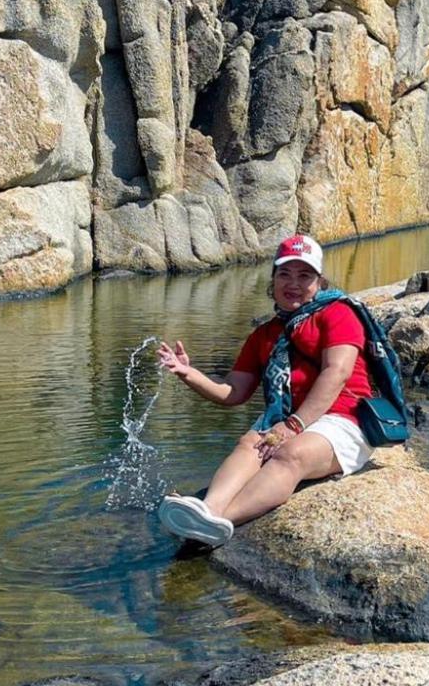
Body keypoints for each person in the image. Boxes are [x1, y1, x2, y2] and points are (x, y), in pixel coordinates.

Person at [155, 233, 374, 548]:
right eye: (285, 274)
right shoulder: (265, 334)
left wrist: (293, 426)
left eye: (304, 275)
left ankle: (220, 521)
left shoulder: (338, 313)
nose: (293, 283)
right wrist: (190, 374)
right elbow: (233, 392)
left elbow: (336, 373)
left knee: (290, 453)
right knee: (250, 443)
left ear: (319, 281)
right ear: (273, 279)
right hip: (289, 418)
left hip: (343, 419)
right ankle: (209, 510)